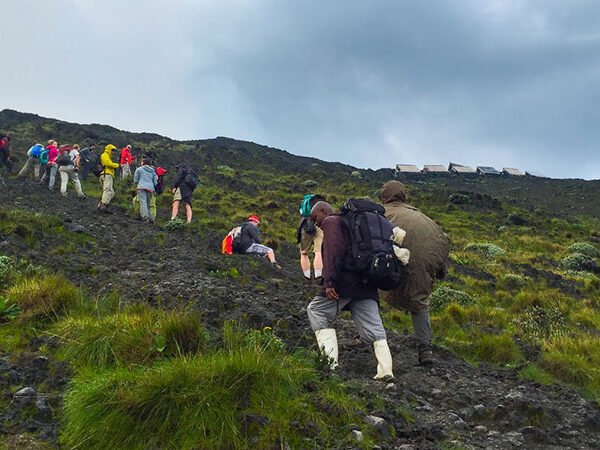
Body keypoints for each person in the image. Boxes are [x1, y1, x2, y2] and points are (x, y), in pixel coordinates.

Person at [306, 201, 394, 381]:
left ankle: (329, 365)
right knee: (374, 327)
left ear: (324, 210)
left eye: (315, 217)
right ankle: (386, 371)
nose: (315, 223)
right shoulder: (352, 224)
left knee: (316, 310)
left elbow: (334, 252)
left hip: (344, 282)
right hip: (366, 282)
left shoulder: (331, 222)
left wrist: (330, 281)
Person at [379, 180, 450, 367]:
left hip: (390, 269)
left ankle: (367, 336)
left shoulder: (382, 214)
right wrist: (438, 272)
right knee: (419, 303)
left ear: (384, 197)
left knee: (369, 290)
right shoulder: (428, 221)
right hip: (424, 268)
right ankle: (425, 348)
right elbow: (442, 245)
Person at [297, 194, 325, 280]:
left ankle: (307, 275)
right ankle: (318, 275)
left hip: (305, 226)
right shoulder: (321, 203)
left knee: (304, 252)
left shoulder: (303, 204)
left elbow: (301, 214)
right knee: (318, 251)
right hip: (319, 225)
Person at [133, 156, 158, 223]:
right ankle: (151, 218)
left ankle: (145, 217)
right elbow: (155, 181)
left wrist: (138, 182)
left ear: (143, 163)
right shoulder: (153, 171)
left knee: (143, 202)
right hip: (150, 188)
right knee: (148, 204)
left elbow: (135, 179)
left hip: (141, 187)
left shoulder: (139, 169)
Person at [98, 144, 120, 212]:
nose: (113, 152)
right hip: (107, 174)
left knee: (111, 192)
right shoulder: (105, 155)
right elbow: (108, 164)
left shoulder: (107, 156)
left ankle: (101, 204)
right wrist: (117, 165)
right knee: (108, 190)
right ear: (109, 149)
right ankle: (104, 205)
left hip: (107, 174)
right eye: (112, 150)